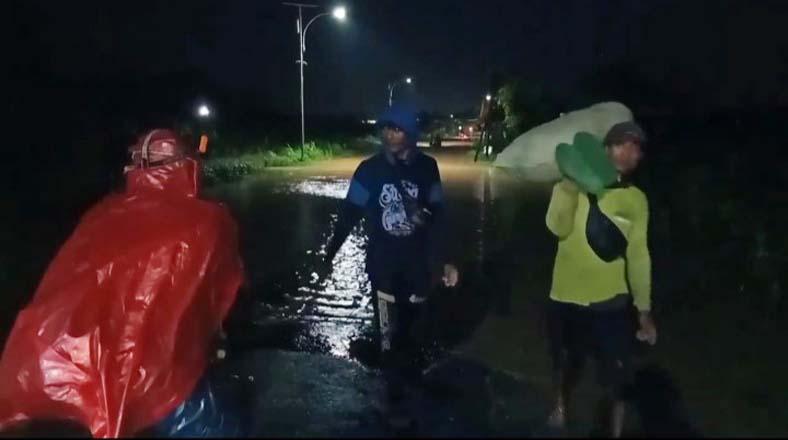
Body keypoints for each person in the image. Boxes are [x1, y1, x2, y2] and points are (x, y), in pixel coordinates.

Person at [322, 105, 459, 429]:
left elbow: (439, 216)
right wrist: (329, 256)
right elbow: (347, 216)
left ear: (411, 134)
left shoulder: (428, 168)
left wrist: (447, 260)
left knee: (411, 333)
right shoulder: (368, 170)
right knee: (387, 336)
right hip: (382, 267)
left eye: (396, 129)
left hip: (419, 267)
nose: (388, 134)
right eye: (385, 128)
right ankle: (393, 399)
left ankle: (405, 381)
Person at [544, 121, 657, 437]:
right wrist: (569, 184)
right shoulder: (568, 186)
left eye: (637, 147)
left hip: (611, 300)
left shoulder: (636, 199)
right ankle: (560, 406)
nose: (629, 151)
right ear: (605, 149)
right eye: (622, 143)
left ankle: (615, 432)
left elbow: (638, 255)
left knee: (618, 377)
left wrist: (644, 310)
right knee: (565, 363)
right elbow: (556, 227)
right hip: (565, 296)